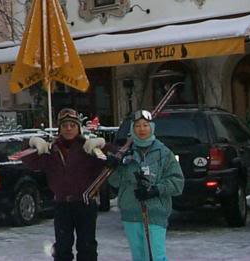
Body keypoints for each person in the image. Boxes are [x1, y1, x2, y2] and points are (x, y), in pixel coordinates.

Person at [23, 108, 110, 261]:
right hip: (62, 205)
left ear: (78, 127)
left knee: (87, 247)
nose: (68, 129)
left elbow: (111, 159)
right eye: (64, 125)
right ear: (60, 128)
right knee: (62, 248)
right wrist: (32, 143)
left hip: (85, 204)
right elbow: (29, 161)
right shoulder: (52, 149)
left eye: (72, 125)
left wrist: (102, 145)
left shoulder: (87, 147)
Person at [108, 110, 184, 261]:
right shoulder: (125, 153)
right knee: (139, 257)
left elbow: (177, 183)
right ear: (132, 129)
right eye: (137, 126)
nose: (142, 129)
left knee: (156, 256)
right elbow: (115, 182)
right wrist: (112, 168)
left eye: (145, 125)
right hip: (131, 213)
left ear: (152, 127)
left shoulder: (164, 153)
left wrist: (155, 190)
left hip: (154, 213)